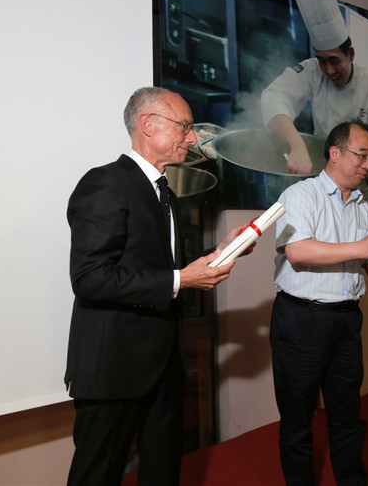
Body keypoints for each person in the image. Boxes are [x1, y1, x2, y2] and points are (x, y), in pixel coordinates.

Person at [65, 86, 250, 486]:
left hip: (163, 363)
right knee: (97, 475)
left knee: (162, 470)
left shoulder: (165, 192)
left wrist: (219, 250)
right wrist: (182, 279)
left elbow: (159, 268)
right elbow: (90, 277)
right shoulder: (105, 183)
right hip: (114, 367)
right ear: (148, 125)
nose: (193, 138)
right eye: (184, 126)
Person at [271, 119, 368, 486]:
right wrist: (363, 247)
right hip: (301, 319)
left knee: (347, 412)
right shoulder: (300, 195)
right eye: (361, 155)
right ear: (334, 153)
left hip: (346, 320)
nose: (367, 165)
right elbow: (298, 252)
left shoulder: (361, 206)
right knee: (298, 419)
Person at [261, 0, 368, 203]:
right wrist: (296, 145)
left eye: (334, 61)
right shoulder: (310, 72)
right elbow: (273, 97)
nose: (328, 70)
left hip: (360, 185)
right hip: (323, 179)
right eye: (322, 61)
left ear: (350, 54)